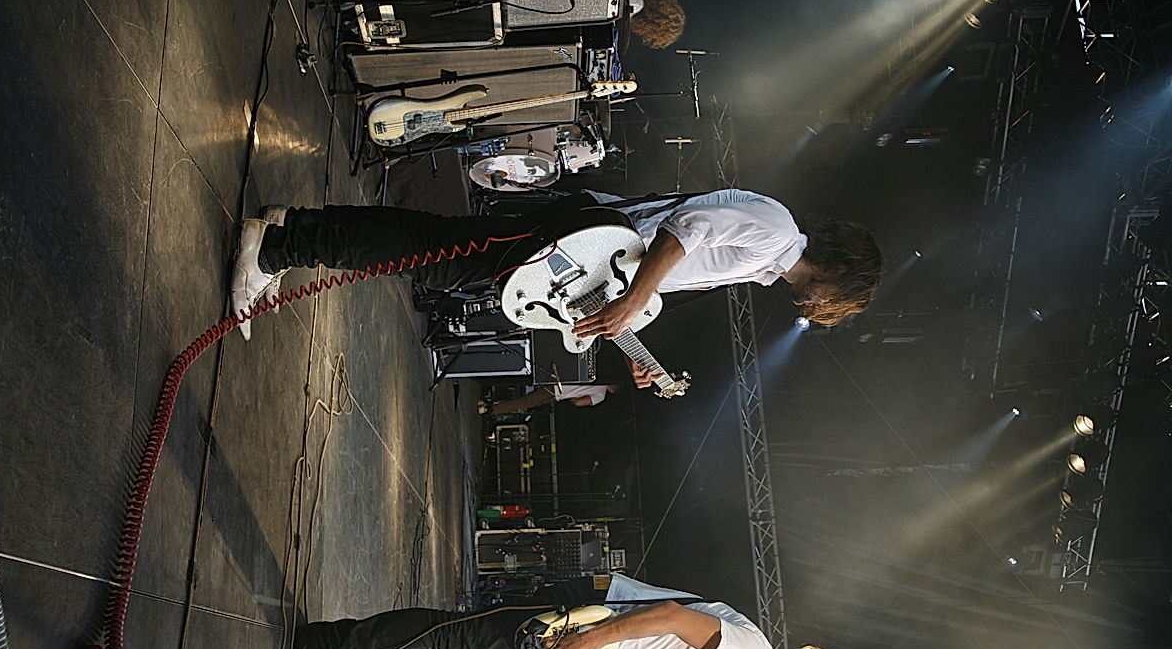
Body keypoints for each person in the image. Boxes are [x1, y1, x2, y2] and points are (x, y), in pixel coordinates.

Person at [231, 190, 884, 387]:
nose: (827, 310)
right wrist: (629, 304)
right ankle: (279, 245)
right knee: (431, 253)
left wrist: (635, 348)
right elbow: (681, 230)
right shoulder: (778, 234)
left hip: (584, 255)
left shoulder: (766, 260)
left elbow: (659, 269)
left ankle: (295, 231)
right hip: (576, 244)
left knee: (436, 247)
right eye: (839, 299)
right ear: (836, 273)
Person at [290, 573, 841, 649]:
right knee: (455, 639)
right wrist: (589, 641)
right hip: (585, 622)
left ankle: (332, 645)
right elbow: (672, 618)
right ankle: (326, 645)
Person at [483, 384, 619, 416]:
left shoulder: (597, 375)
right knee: (525, 402)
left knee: (522, 382)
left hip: (556, 376)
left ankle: (490, 389)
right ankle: (490, 409)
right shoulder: (600, 395)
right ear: (613, 390)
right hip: (557, 391)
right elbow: (578, 402)